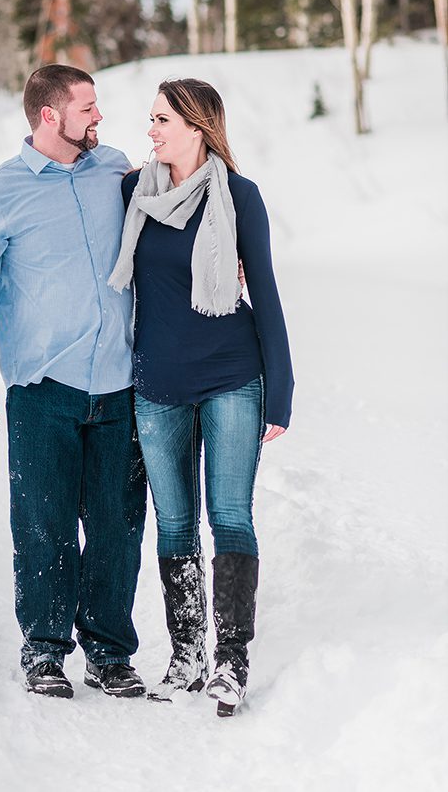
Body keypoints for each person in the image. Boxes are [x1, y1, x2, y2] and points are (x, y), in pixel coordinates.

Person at [0, 64, 147, 700]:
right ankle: (43, 650)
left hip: (120, 383)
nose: (99, 117)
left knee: (118, 527)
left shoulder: (115, 170)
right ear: (49, 116)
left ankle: (110, 654)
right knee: (42, 524)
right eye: (87, 107)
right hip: (43, 388)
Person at [108, 78, 292, 717]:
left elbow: (264, 293)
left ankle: (231, 662)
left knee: (230, 516)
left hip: (231, 376)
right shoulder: (134, 191)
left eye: (161, 120)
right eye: (150, 119)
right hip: (157, 382)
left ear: (197, 126)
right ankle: (187, 652)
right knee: (176, 520)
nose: (151, 130)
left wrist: (282, 393)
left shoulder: (239, 197)